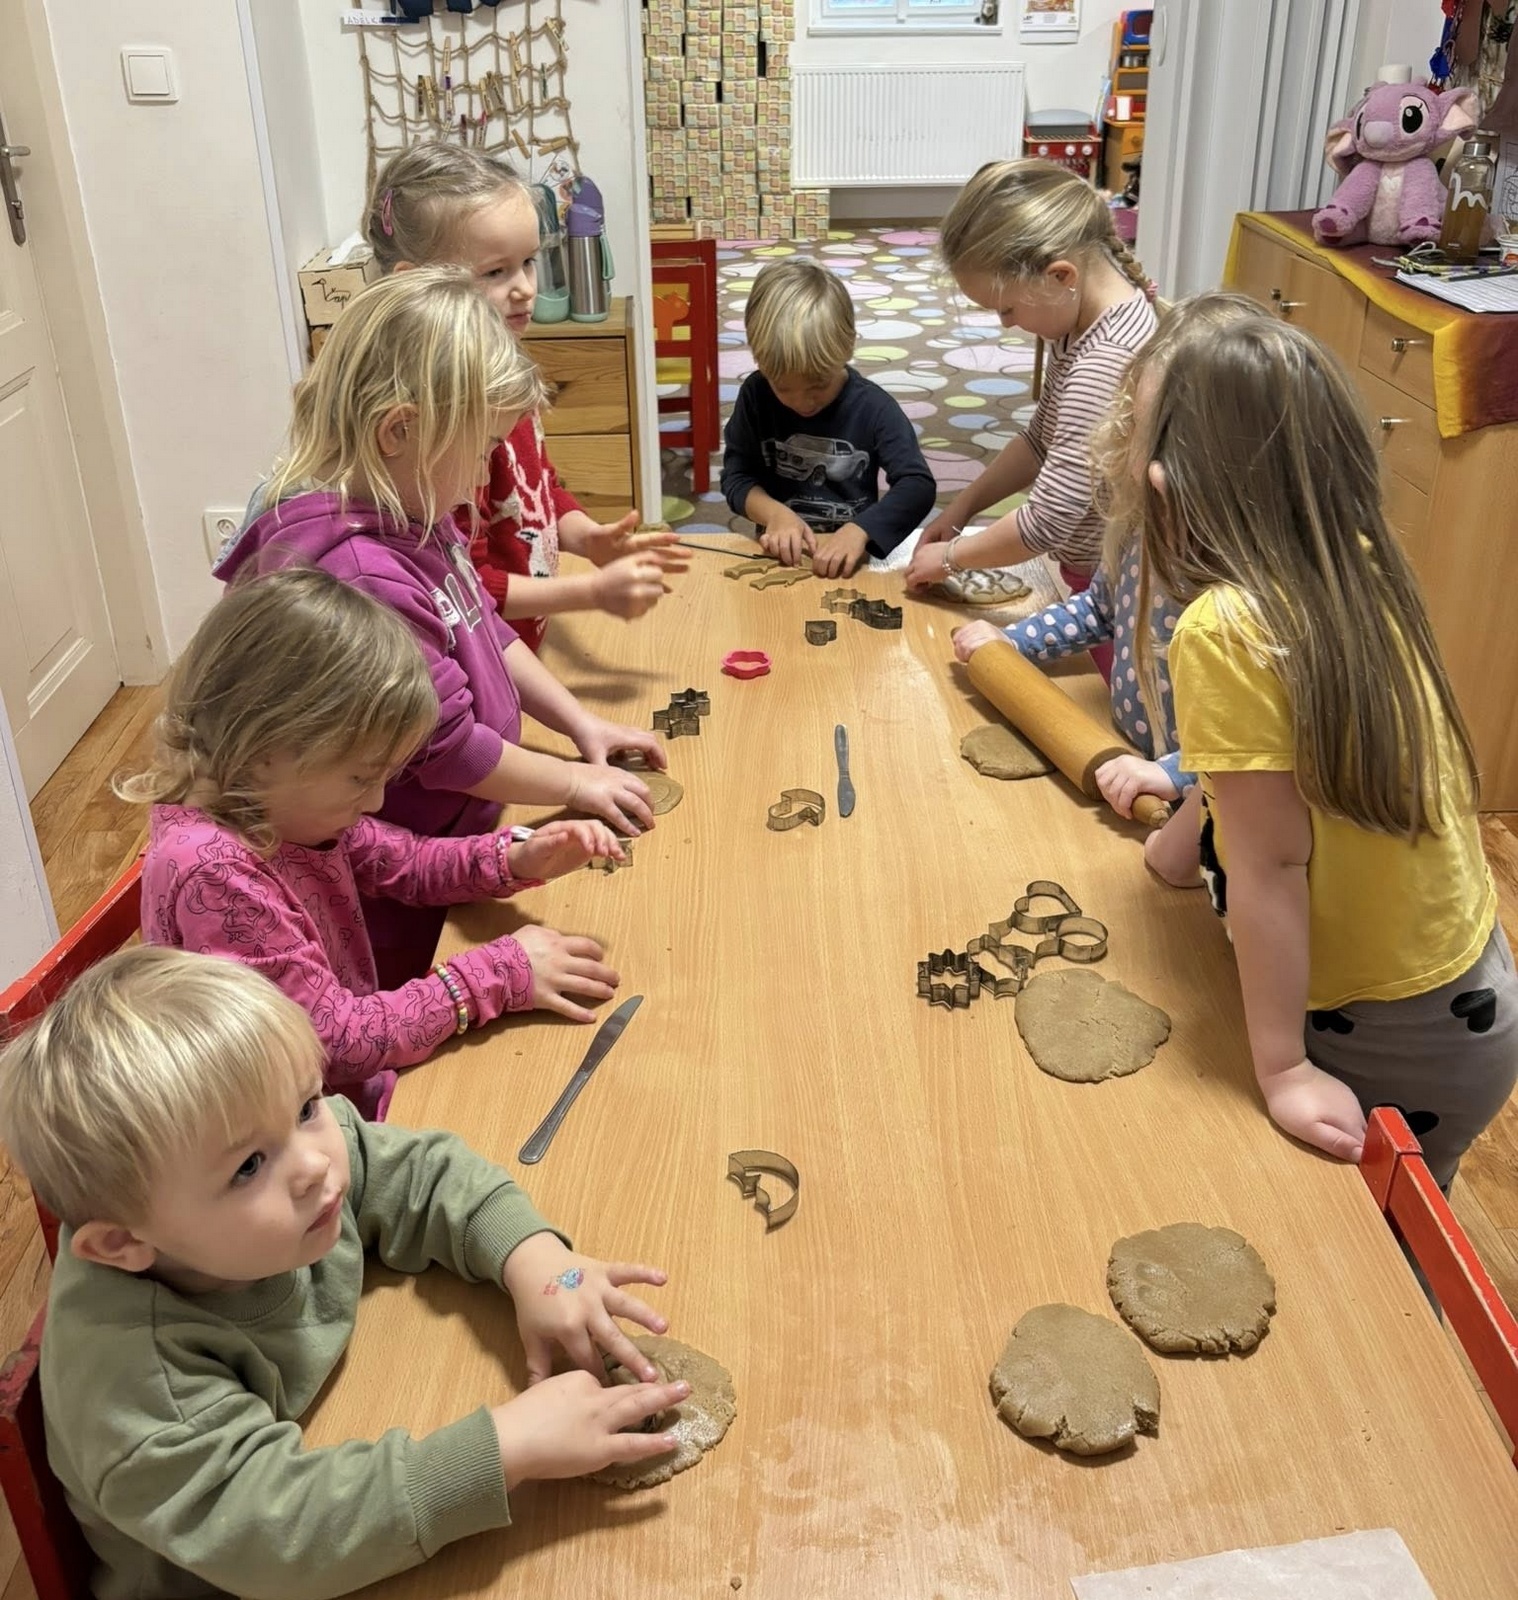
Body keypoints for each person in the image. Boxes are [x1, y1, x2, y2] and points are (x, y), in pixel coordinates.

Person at [0, 947, 688, 1600]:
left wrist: (535, 1260)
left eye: (306, 1106)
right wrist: (506, 1448)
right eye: (248, 1167)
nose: (315, 1163)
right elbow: (284, 1535)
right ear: (123, 1243)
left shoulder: (277, 1171)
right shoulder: (138, 1392)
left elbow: (419, 1173)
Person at [1124, 292, 1516, 1186]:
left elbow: (1270, 864)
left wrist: (1283, 1068)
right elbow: (1258, 780)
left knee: (1376, 1249)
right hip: (1464, 986)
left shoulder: (1225, 630)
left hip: (1384, 1030)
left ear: (1166, 487)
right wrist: (1175, 852)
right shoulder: (1354, 568)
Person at [217, 267, 660, 986]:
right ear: (400, 430)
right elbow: (449, 750)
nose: (487, 470)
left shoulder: (415, 508)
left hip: (459, 838)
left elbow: (483, 624)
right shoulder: (362, 575)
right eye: (482, 447)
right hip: (401, 875)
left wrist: (583, 725)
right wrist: (576, 784)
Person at [122, 569, 624, 1122]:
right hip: (294, 1137)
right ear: (265, 749)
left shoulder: (278, 806)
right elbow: (332, 1042)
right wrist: (497, 973)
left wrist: (513, 858)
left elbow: (407, 863)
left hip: (343, 1100)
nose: (379, 800)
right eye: (362, 777)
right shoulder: (214, 872)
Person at [363, 142, 685, 653]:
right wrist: (591, 592)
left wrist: (587, 538)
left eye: (529, 262)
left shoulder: (504, 374)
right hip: (479, 661)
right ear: (417, 285)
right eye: (496, 272)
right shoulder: (439, 423)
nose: (525, 289)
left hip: (522, 650)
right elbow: (466, 586)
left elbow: (535, 488)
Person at [946, 300, 1262, 821]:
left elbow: (1257, 741)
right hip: (1133, 760)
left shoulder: (1246, 587)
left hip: (1212, 805)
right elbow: (1100, 609)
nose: (1128, 439)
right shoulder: (1140, 526)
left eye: (1143, 428)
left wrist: (1175, 773)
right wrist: (1013, 643)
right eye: (1132, 422)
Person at [905, 159, 1159, 681]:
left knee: (1114, 708)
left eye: (1007, 309)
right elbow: (1040, 442)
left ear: (1060, 276)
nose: (1006, 325)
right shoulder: (1079, 324)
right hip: (1100, 578)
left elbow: (1046, 522)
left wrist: (952, 558)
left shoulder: (1104, 362)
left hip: (1118, 591)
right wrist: (965, 507)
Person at [720, 257, 935, 578]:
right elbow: (736, 477)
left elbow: (917, 485)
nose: (802, 402)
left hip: (852, 562)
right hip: (781, 559)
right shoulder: (756, 394)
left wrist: (861, 530)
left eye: (818, 384)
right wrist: (774, 514)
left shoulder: (873, 407)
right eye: (783, 387)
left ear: (847, 347)